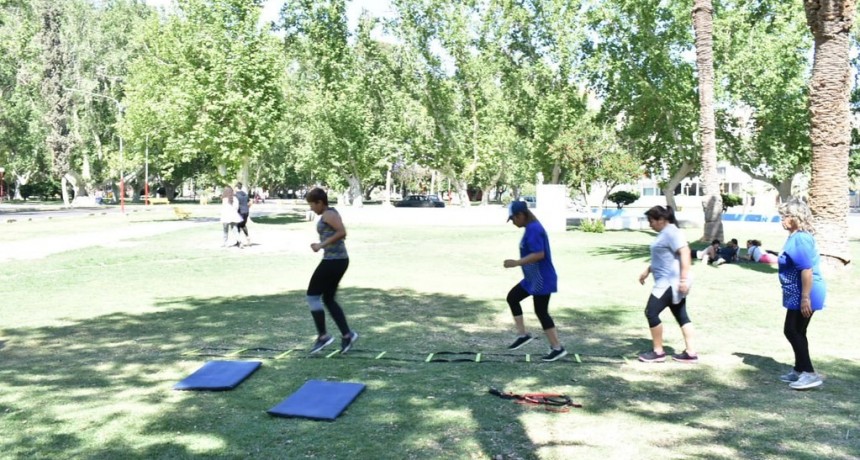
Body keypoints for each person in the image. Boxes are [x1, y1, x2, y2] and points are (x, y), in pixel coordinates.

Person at [503, 201, 567, 362]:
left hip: (542, 279)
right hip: (532, 278)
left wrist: (516, 262)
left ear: (521, 215)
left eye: (513, 219)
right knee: (513, 298)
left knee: (541, 311)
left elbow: (539, 254)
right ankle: (522, 335)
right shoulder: (530, 228)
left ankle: (557, 348)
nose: (513, 222)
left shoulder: (534, 229)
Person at [638, 205, 698, 363]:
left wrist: (684, 279)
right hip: (667, 281)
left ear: (662, 220)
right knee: (682, 316)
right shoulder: (665, 233)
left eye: (651, 221)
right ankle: (691, 353)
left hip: (669, 283)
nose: (650, 224)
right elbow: (664, 259)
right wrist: (648, 270)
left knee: (651, 312)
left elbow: (685, 252)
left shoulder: (672, 232)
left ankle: (658, 352)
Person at [777, 199, 826, 390]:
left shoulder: (800, 239)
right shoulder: (795, 237)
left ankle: (809, 373)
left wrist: (806, 297)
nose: (782, 219)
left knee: (792, 330)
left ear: (795, 218)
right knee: (797, 330)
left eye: (785, 216)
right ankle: (799, 369)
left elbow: (806, 270)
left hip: (806, 292)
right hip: (798, 292)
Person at [305, 187, 358, 354]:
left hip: (334, 261)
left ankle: (323, 336)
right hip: (335, 260)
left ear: (320, 202)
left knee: (312, 296)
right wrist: (321, 244)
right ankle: (347, 334)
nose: (311, 208)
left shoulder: (329, 214)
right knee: (328, 299)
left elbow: (342, 232)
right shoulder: (327, 214)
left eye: (312, 204)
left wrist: (321, 245)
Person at [235, 182, 251, 247]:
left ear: (236, 187)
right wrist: (247, 208)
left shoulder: (236, 195)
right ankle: (248, 238)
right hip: (246, 211)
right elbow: (249, 202)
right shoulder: (245, 194)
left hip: (240, 212)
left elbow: (235, 204)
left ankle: (239, 242)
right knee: (243, 225)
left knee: (238, 226)